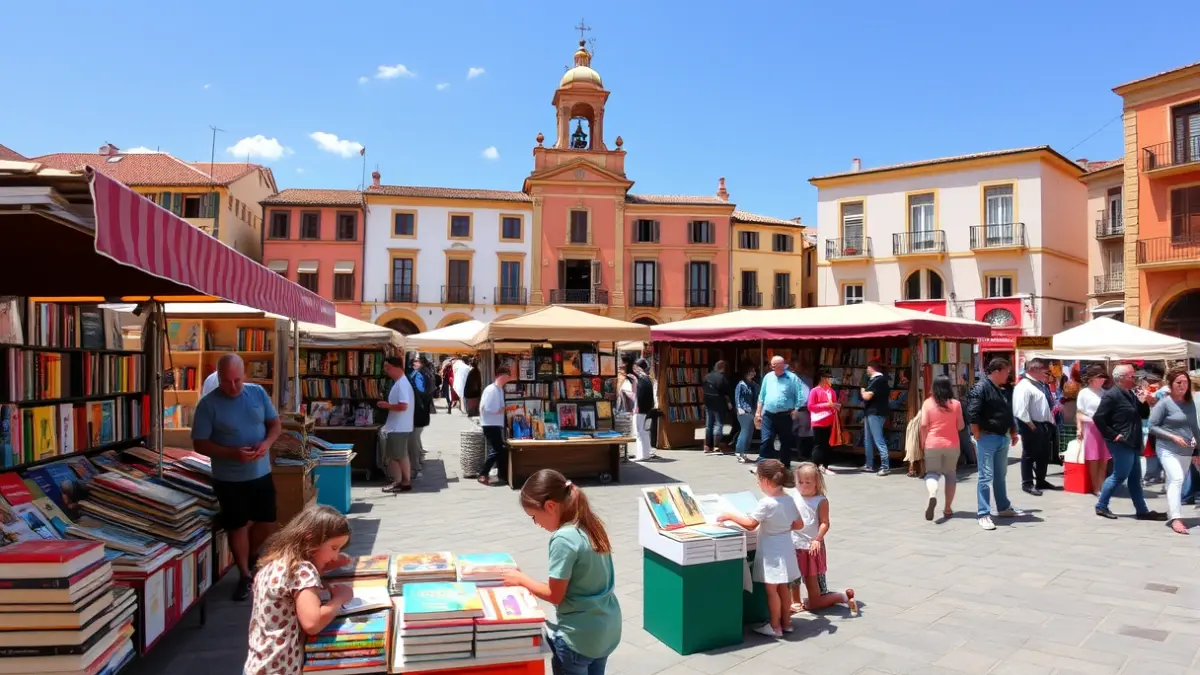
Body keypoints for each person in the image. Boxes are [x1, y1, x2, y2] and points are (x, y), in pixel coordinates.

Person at [501, 470, 621, 675]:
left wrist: (521, 579)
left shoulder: (563, 538)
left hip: (579, 638)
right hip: (606, 629)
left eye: (533, 517)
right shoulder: (590, 524)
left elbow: (555, 595)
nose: (536, 523)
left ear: (550, 506)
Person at [192, 353, 282, 601]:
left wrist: (267, 443)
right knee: (238, 525)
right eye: (226, 381)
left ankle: (250, 557)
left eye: (237, 381)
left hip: (260, 472)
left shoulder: (257, 393)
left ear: (245, 375)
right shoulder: (208, 404)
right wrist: (231, 453)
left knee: (268, 522)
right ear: (217, 377)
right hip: (229, 477)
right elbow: (200, 443)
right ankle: (244, 574)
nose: (232, 387)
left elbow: (275, 425)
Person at [243, 505, 353, 675]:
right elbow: (312, 623)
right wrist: (339, 598)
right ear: (310, 540)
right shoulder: (302, 571)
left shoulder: (275, 565)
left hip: (259, 665)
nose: (336, 556)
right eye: (333, 548)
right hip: (282, 669)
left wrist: (327, 565)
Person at [717, 459, 803, 638]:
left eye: (758, 480)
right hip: (786, 546)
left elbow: (750, 524)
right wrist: (782, 527)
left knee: (771, 590)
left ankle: (774, 626)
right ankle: (787, 623)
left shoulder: (766, 503)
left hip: (772, 550)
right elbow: (799, 524)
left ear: (765, 481)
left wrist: (730, 516)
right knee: (784, 587)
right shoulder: (788, 499)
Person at [1093, 364, 1166, 521]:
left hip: (1132, 440)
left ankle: (1142, 510)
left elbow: (1143, 414)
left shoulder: (1129, 393)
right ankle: (1101, 505)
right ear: (1122, 378)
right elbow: (1098, 418)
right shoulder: (1112, 395)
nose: (1135, 378)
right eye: (1132, 376)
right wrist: (1114, 436)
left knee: (1134, 478)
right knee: (1119, 475)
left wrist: (1144, 400)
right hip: (1122, 442)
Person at [789, 463, 857, 615]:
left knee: (813, 596)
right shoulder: (793, 495)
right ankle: (795, 601)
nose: (803, 486)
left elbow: (825, 523)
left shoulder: (820, 500)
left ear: (817, 483)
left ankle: (842, 596)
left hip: (810, 548)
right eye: (800, 482)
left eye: (808, 482)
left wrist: (817, 539)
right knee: (793, 578)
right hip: (793, 545)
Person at [966, 358, 1023, 532]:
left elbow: (1008, 412)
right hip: (988, 437)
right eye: (1006, 371)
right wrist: (977, 434)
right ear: (997, 371)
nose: (1008, 375)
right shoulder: (981, 388)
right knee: (986, 476)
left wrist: (1012, 430)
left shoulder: (1003, 389)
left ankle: (1003, 506)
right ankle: (983, 513)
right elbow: (972, 413)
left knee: (1000, 474)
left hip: (1002, 436)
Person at [1148, 368, 1200, 535]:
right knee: (1177, 478)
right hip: (1167, 448)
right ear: (1170, 385)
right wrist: (1173, 437)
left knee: (1173, 481)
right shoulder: (1164, 403)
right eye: (1179, 382)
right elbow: (1152, 426)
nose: (1182, 385)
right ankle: (1176, 518)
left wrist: (1197, 450)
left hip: (1186, 450)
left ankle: (1172, 510)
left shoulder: (1189, 402)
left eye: (1185, 382)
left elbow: (1194, 426)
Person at [920, 375, 964, 521]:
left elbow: (923, 425)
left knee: (932, 473)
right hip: (952, 445)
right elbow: (960, 426)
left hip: (932, 444)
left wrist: (923, 442)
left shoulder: (927, 403)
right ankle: (947, 508)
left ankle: (932, 494)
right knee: (950, 475)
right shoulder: (956, 404)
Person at [1012, 358, 1059, 495]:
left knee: (1043, 455)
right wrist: (1032, 426)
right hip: (1032, 425)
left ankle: (1041, 480)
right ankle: (1027, 483)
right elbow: (1020, 410)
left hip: (1044, 424)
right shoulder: (1024, 386)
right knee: (1029, 455)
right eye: (1045, 372)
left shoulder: (1039, 384)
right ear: (1034, 370)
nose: (1047, 375)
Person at [754, 356, 807, 470]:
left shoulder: (792, 378)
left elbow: (800, 395)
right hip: (768, 414)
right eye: (771, 365)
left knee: (785, 441)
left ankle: (785, 465)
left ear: (782, 365)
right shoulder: (768, 377)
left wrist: (796, 409)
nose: (772, 368)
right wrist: (758, 412)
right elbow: (762, 395)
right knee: (766, 439)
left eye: (775, 365)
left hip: (785, 415)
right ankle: (763, 464)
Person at [378, 357, 414, 493]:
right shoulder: (400, 383)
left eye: (387, 367)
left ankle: (402, 481)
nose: (386, 370)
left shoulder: (402, 384)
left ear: (395, 367)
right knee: (398, 455)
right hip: (398, 426)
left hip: (399, 426)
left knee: (397, 455)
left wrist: (387, 405)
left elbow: (404, 406)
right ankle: (403, 481)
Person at [1075, 365, 1110, 496]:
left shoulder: (1104, 392)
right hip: (1091, 427)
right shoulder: (1084, 393)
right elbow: (1079, 413)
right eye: (1100, 377)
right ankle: (1095, 487)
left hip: (1104, 427)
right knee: (1093, 458)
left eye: (1104, 378)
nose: (1103, 380)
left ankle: (1101, 486)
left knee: (1104, 459)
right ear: (1092, 378)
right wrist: (1079, 429)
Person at [477, 366, 512, 486]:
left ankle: (499, 474)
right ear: (502, 376)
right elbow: (487, 408)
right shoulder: (491, 390)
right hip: (490, 423)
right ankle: (483, 473)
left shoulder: (499, 389)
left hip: (494, 423)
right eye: (507, 377)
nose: (508, 379)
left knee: (499, 449)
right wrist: (504, 409)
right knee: (498, 449)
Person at [860, 360, 891, 476]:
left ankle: (885, 466)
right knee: (868, 439)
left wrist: (862, 388)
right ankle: (869, 464)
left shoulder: (878, 381)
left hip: (875, 413)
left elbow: (866, 396)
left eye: (868, 367)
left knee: (878, 439)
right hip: (872, 412)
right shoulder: (879, 380)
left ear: (872, 368)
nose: (866, 370)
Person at [807, 370, 839, 474]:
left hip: (830, 421)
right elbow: (811, 406)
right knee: (818, 444)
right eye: (827, 377)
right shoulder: (814, 391)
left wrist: (836, 407)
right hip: (818, 421)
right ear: (822, 378)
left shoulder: (832, 392)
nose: (830, 380)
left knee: (828, 444)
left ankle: (825, 465)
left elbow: (833, 405)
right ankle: (817, 465)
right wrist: (827, 405)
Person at [408, 356, 434, 480]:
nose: (414, 363)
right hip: (422, 411)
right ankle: (418, 461)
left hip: (418, 411)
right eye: (413, 361)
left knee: (414, 438)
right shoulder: (426, 373)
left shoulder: (419, 374)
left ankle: (416, 467)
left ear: (422, 363)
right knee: (416, 437)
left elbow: (421, 391)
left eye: (416, 361)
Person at [702, 360, 734, 455]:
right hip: (719, 403)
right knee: (718, 424)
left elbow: (703, 388)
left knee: (709, 424)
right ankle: (716, 445)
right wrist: (729, 402)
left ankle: (707, 445)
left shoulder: (707, 376)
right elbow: (727, 391)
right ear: (723, 368)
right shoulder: (722, 377)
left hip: (708, 402)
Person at [633, 358, 658, 462]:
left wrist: (636, 408)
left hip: (640, 409)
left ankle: (641, 455)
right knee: (645, 432)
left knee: (639, 433)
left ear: (639, 367)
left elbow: (640, 395)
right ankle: (646, 454)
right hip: (647, 409)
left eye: (635, 367)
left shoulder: (641, 379)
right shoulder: (648, 379)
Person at [734, 364, 759, 464]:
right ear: (746, 373)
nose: (754, 373)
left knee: (749, 432)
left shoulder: (753, 384)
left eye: (754, 371)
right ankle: (739, 452)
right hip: (744, 411)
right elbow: (737, 397)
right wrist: (739, 408)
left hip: (751, 411)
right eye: (752, 371)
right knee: (745, 431)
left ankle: (743, 452)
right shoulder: (741, 384)